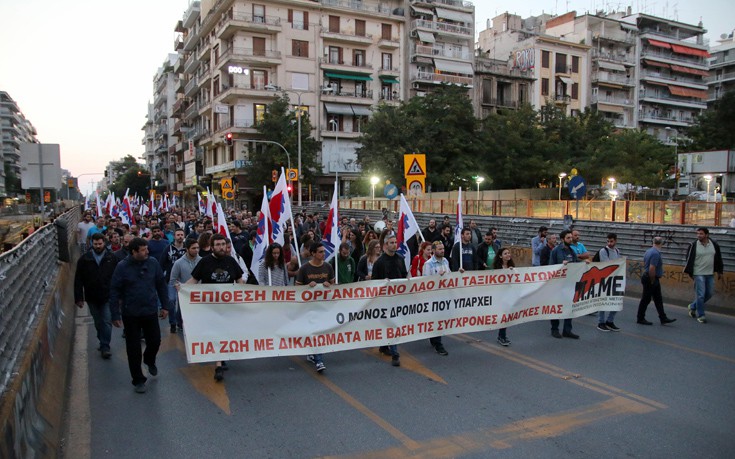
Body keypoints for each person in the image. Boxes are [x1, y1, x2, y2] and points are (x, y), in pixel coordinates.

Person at [109, 237, 170, 394]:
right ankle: (138, 379)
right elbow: (114, 290)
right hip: (131, 314)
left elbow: (161, 285)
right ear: (134, 252)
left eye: (147, 249)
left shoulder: (153, 263)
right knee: (133, 348)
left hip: (150, 311)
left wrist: (165, 306)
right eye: (143, 250)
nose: (147, 252)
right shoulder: (122, 267)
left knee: (155, 341)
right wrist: (115, 314)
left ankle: (149, 359)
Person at [187, 233, 245, 381]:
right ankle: (218, 366)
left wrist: (246, 294)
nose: (221, 247)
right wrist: (182, 288)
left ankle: (221, 356)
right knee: (216, 332)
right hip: (210, 307)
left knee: (225, 332)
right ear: (212, 247)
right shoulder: (205, 262)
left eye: (223, 244)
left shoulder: (231, 261)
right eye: (218, 245)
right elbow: (194, 280)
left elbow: (239, 280)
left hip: (228, 306)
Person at [74, 233, 119, 359]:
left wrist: (119, 295)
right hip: (92, 296)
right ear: (92, 244)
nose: (98, 246)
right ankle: (102, 338)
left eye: (100, 244)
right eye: (95, 244)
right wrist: (79, 298)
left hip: (107, 296)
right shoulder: (84, 259)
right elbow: (78, 280)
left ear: (104, 243)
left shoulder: (112, 258)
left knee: (106, 321)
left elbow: (118, 277)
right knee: (98, 321)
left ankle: (105, 346)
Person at [296, 242, 335, 373]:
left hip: (323, 307)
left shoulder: (328, 267)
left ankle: (313, 353)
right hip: (309, 308)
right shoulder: (304, 269)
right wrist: (307, 287)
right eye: (320, 252)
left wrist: (329, 284)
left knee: (319, 332)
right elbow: (297, 289)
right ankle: (319, 360)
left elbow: (335, 286)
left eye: (324, 251)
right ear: (313, 253)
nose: (323, 254)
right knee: (315, 331)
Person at [372, 234, 408, 367]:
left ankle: (385, 346)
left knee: (394, 324)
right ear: (385, 245)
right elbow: (374, 282)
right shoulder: (379, 262)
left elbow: (404, 276)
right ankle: (395, 354)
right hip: (385, 300)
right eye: (391, 242)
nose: (394, 244)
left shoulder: (400, 259)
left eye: (395, 242)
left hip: (397, 298)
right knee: (391, 324)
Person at [683, 227, 724, 323]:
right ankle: (701, 315)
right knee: (701, 295)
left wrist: (720, 271)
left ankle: (693, 306)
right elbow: (688, 259)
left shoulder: (713, 244)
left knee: (709, 293)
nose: (698, 236)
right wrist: (690, 272)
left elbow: (718, 258)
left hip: (710, 273)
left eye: (701, 234)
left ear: (706, 235)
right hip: (698, 273)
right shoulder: (693, 245)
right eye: (697, 234)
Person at [637, 237, 677, 326]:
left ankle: (663, 317)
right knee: (646, 299)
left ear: (653, 242)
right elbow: (652, 268)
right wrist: (652, 280)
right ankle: (640, 318)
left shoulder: (649, 251)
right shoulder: (655, 253)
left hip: (650, 277)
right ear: (661, 244)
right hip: (651, 278)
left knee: (658, 299)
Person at [549, 230, 580, 339]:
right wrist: (560, 265)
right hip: (558, 284)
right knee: (556, 307)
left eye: (571, 237)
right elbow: (551, 267)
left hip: (569, 284)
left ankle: (567, 330)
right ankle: (555, 329)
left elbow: (576, 264)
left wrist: (584, 264)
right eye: (568, 238)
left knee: (569, 307)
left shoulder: (572, 251)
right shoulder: (556, 251)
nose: (571, 239)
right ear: (562, 239)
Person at [422, 241, 450, 356]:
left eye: (443, 248)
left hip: (444, 294)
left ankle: (435, 339)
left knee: (440, 319)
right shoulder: (429, 264)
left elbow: (450, 276)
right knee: (436, 319)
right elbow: (426, 281)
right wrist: (438, 277)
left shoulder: (445, 261)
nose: (442, 251)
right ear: (433, 251)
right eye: (439, 249)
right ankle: (438, 343)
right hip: (433, 296)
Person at [169, 238, 201, 331]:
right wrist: (178, 286)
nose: (196, 250)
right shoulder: (178, 263)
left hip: (199, 294)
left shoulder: (202, 261)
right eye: (193, 248)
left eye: (197, 248)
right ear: (187, 249)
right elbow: (173, 280)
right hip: (185, 294)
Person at [161, 228, 187, 333]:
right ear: (174, 236)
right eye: (178, 235)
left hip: (184, 280)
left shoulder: (187, 249)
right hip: (171, 280)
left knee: (182, 303)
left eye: (182, 234)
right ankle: (172, 322)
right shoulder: (168, 248)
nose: (180, 236)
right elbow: (162, 263)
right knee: (171, 301)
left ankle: (180, 322)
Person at [596, 233, 622, 332]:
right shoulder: (603, 251)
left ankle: (610, 321)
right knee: (603, 301)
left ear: (615, 241)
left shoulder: (617, 251)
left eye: (611, 241)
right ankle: (601, 322)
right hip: (605, 280)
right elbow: (607, 265)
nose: (610, 243)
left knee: (616, 300)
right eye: (608, 241)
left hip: (615, 279)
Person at [491, 248, 516, 346]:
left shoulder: (512, 266)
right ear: (500, 256)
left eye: (509, 253)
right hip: (500, 295)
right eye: (505, 253)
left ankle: (502, 335)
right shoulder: (497, 267)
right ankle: (501, 336)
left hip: (509, 294)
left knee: (507, 316)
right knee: (503, 316)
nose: (508, 255)